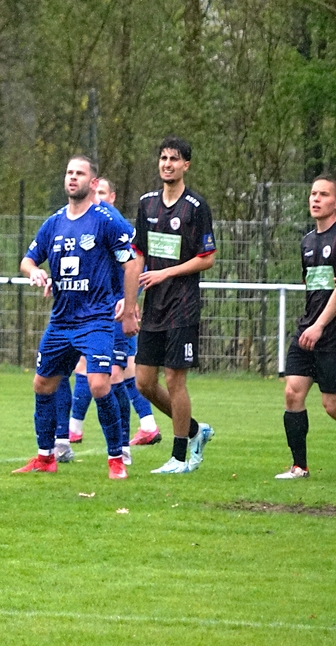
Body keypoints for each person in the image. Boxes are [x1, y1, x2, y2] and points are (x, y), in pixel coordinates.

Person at [16, 155, 141, 480]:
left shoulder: (105, 220)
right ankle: (46, 456)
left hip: (95, 319)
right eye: (69, 172)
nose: (73, 177)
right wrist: (35, 273)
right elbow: (28, 260)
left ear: (93, 182)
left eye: (80, 173)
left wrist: (129, 308)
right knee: (42, 384)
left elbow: (132, 263)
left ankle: (116, 458)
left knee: (99, 384)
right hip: (61, 321)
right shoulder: (54, 222)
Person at [57, 177, 160, 458]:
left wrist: (129, 301)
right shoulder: (81, 220)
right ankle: (66, 437)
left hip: (111, 310)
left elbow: (137, 263)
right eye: (95, 191)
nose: (97, 196)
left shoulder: (113, 222)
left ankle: (119, 445)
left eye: (102, 192)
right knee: (86, 369)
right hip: (88, 309)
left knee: (113, 373)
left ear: (111, 196)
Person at [134, 136, 216, 474]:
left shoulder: (196, 207)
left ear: (186, 165)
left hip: (182, 306)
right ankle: (195, 429)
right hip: (153, 305)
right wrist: (131, 299)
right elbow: (138, 254)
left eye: (174, 159)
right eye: (163, 158)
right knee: (143, 382)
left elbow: (207, 258)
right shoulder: (147, 204)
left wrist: (166, 272)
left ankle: (180, 457)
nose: (167, 164)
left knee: (174, 380)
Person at [276, 176, 336, 479]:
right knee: (292, 393)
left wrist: (320, 324)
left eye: (323, 194)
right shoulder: (307, 241)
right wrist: (310, 325)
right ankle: (299, 466)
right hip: (308, 329)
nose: (316, 199)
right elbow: (311, 285)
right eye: (313, 194)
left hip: (331, 332)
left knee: (331, 405)